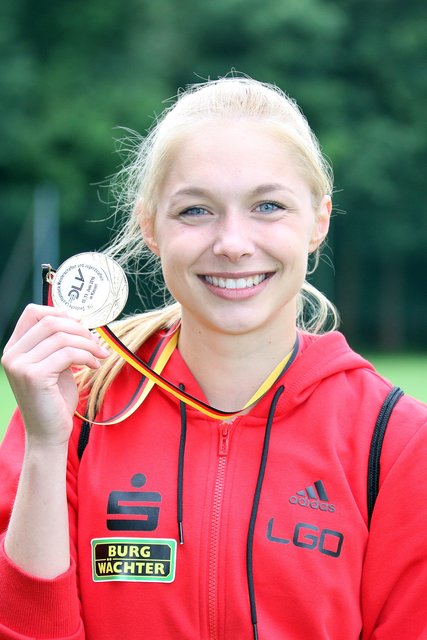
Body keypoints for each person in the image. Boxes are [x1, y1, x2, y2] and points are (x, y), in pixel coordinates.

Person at [0, 76, 426, 640]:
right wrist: (47, 447)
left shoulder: (393, 440)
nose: (231, 242)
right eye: (196, 210)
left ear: (319, 220)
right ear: (150, 226)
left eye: (268, 206)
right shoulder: (77, 404)